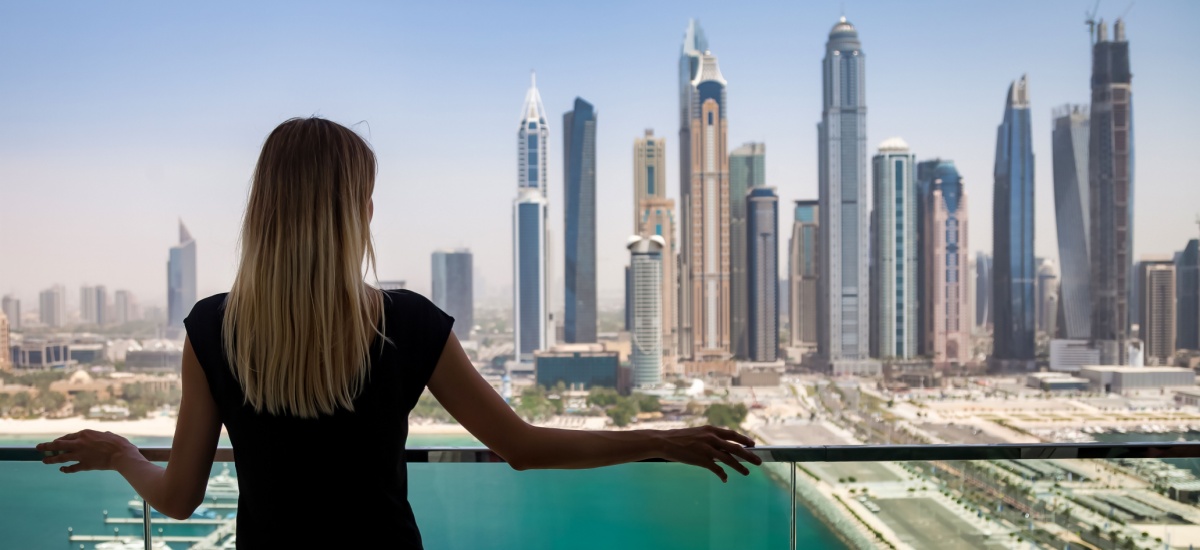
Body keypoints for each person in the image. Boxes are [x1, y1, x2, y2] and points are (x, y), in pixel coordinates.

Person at [38, 117, 762, 548]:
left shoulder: (213, 326)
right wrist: (664, 440)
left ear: (266, 209)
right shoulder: (405, 322)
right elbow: (522, 448)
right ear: (352, 212)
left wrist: (122, 455)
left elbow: (181, 497)